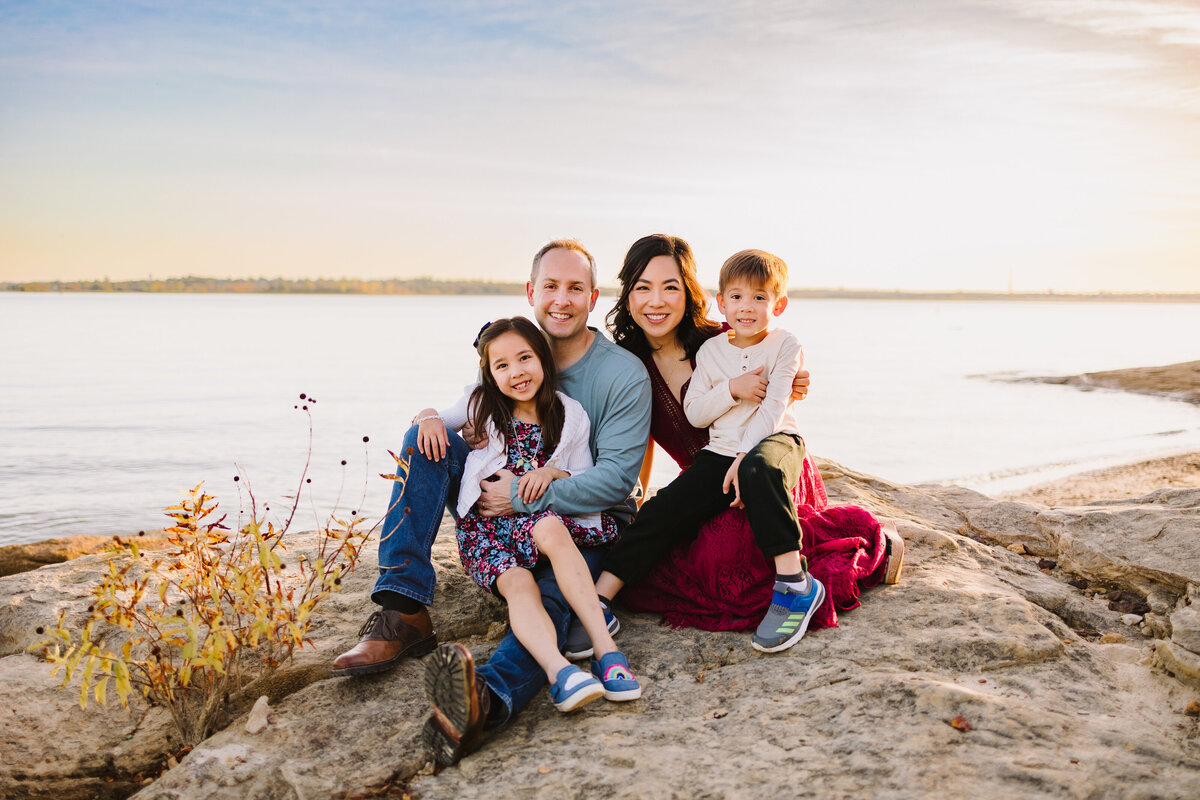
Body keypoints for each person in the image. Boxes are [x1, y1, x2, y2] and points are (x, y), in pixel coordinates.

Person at [332, 240, 651, 766]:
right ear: (532, 292)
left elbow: (615, 482)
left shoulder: (619, 375)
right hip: (494, 518)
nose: (562, 299)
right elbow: (461, 414)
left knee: (551, 596)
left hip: (570, 517)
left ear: (594, 298)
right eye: (550, 286)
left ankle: (487, 698)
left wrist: (527, 497)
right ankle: (402, 608)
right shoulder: (510, 349)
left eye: (575, 288)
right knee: (421, 441)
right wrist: (430, 414)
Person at [579, 234, 893, 647]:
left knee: (726, 553)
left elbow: (777, 388)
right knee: (663, 540)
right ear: (628, 294)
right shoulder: (628, 364)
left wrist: (793, 385)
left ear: (691, 293)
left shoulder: (727, 335)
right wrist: (636, 501)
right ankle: (594, 604)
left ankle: (813, 573)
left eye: (670, 287)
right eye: (643, 287)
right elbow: (639, 441)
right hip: (713, 469)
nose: (656, 301)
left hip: (765, 459)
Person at [451, 315, 641, 712]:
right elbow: (441, 417)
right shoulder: (481, 405)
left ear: (542, 358)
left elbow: (584, 474)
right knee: (520, 584)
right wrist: (428, 418)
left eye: (525, 358)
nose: (516, 372)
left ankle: (606, 651)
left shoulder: (569, 414)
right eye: (501, 366)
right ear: (489, 374)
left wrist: (553, 471)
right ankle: (562, 674)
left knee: (552, 527)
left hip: (535, 520)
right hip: (488, 530)